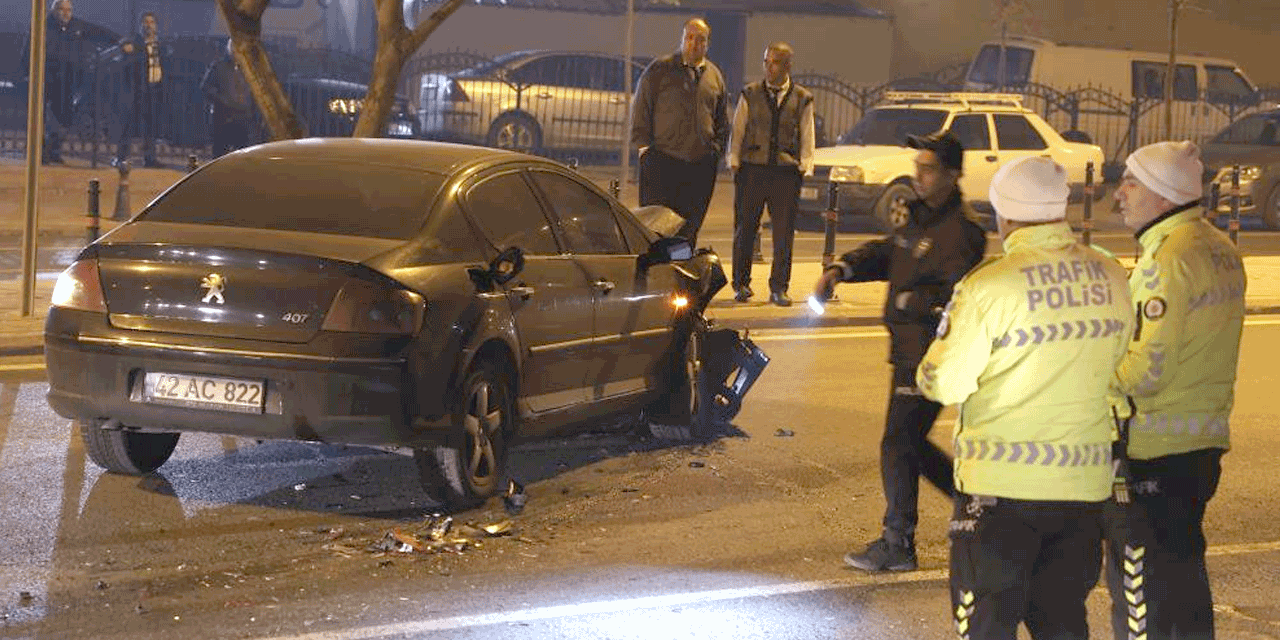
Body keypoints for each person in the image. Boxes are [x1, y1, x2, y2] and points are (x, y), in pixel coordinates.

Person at [916, 156, 1133, 639]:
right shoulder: (1112, 275)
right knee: (1063, 622)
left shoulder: (989, 285)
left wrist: (929, 364)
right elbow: (1125, 370)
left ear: (1005, 214)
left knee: (987, 626)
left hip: (1002, 495)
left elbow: (945, 383)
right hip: (1082, 490)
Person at [812, 131, 986, 571]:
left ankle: (898, 542)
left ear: (952, 174)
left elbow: (955, 295)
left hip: (931, 355)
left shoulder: (962, 231)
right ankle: (976, 508)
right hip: (905, 350)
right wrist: (843, 268)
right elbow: (891, 252)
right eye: (918, 167)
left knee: (898, 443)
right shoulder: (918, 214)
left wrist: (911, 302)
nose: (919, 175)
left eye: (928, 169)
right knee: (910, 443)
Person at [1104, 140, 1246, 640]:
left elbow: (1147, 371)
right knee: (1184, 589)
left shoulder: (1167, 260)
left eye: (1131, 183)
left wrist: (1092, 376)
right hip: (1199, 447)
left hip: (1152, 451)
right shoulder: (1219, 249)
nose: (1119, 194)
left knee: (1140, 589)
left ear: (1163, 197)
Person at [726, 42, 815, 307]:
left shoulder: (802, 98)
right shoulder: (750, 94)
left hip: (786, 173)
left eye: (774, 62)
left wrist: (805, 165)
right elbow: (738, 128)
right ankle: (741, 284)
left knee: (784, 233)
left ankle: (779, 288)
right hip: (752, 169)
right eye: (766, 61)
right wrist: (734, 159)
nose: (768, 67)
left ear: (788, 65)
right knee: (745, 229)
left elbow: (807, 134)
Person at [630, 17, 729, 246]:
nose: (694, 44)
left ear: (708, 44)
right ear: (682, 39)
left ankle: (680, 276)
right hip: (663, 162)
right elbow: (642, 109)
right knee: (657, 230)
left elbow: (722, 120)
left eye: (700, 39)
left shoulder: (714, 76)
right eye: (689, 38)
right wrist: (645, 150)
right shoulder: (660, 69)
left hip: (699, 167)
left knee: (688, 230)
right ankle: (656, 276)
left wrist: (715, 152)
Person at [28, 0, 120, 164]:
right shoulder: (42, 26)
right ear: (54, 11)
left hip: (67, 82)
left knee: (65, 118)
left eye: (69, 10)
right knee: (44, 119)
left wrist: (120, 40)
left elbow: (98, 31)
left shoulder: (76, 25)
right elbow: (28, 50)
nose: (66, 13)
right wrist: (28, 76)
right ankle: (42, 154)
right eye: (62, 9)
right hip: (45, 80)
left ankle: (54, 152)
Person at [114, 12, 166, 168]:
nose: (148, 25)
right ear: (141, 25)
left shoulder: (159, 44)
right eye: (145, 22)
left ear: (156, 25)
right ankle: (121, 157)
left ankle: (150, 158)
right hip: (138, 88)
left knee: (151, 125)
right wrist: (124, 45)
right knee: (129, 124)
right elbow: (123, 42)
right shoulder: (137, 41)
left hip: (154, 88)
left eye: (151, 22)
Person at [200, 39, 255, 158]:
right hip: (224, 116)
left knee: (243, 153)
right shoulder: (219, 66)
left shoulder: (247, 68)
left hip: (242, 115)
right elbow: (206, 87)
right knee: (220, 152)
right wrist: (222, 100)